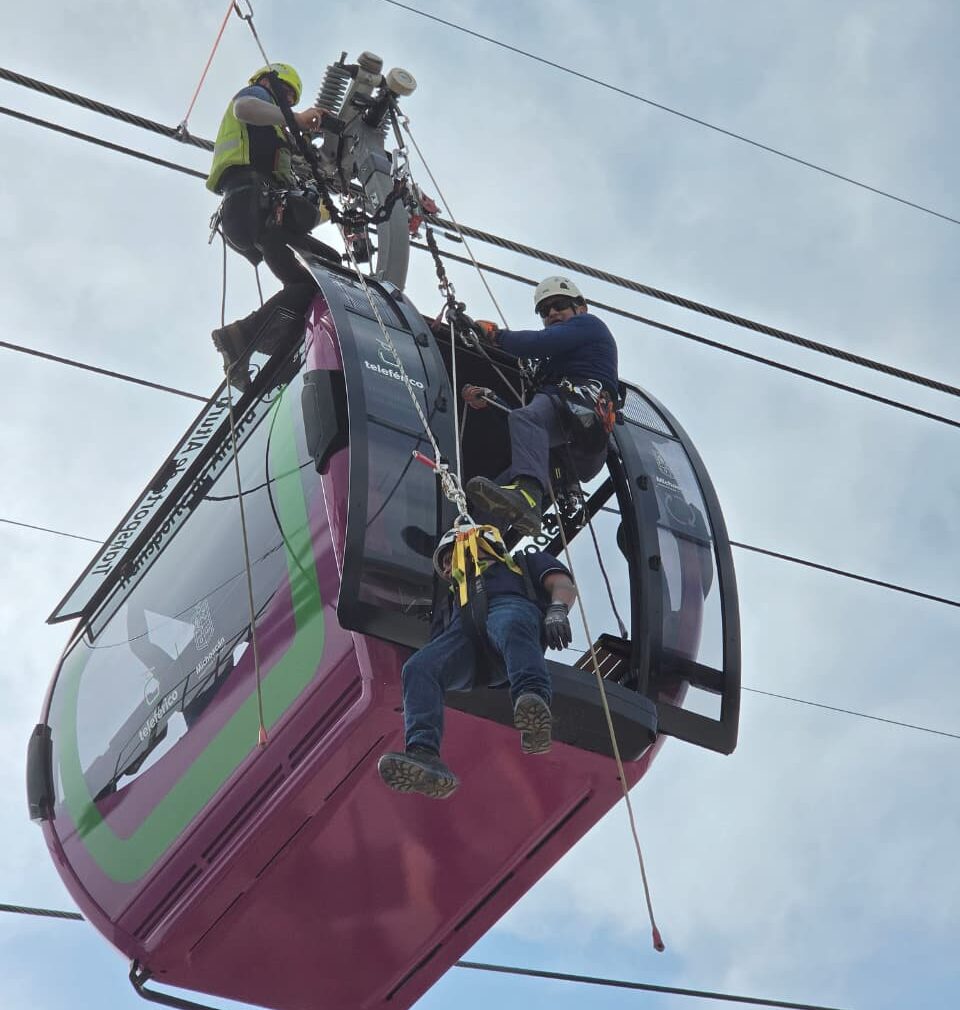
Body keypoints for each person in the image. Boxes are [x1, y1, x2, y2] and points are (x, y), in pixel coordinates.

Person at [377, 525, 577, 799]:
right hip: (468, 642)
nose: (447, 569)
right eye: (445, 565)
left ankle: (533, 704)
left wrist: (557, 610)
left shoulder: (521, 564)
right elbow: (440, 648)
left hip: (511, 617)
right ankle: (424, 753)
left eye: (449, 558)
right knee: (419, 667)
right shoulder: (450, 602)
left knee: (509, 623)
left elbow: (561, 583)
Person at [206, 63, 341, 389]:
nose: (288, 103)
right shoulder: (256, 95)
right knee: (329, 266)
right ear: (269, 82)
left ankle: (244, 338)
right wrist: (295, 118)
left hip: (259, 216)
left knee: (308, 286)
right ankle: (260, 342)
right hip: (250, 204)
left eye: (292, 100)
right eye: (287, 95)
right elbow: (244, 108)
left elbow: (298, 191)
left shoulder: (277, 137)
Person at [463, 276, 619, 534]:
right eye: (545, 311)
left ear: (580, 308)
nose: (553, 313)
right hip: (576, 445)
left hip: (581, 412)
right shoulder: (551, 367)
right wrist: (492, 400)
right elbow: (527, 424)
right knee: (501, 487)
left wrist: (495, 335)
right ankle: (482, 543)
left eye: (560, 305)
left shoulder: (589, 325)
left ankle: (527, 498)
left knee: (526, 421)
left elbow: (536, 343)